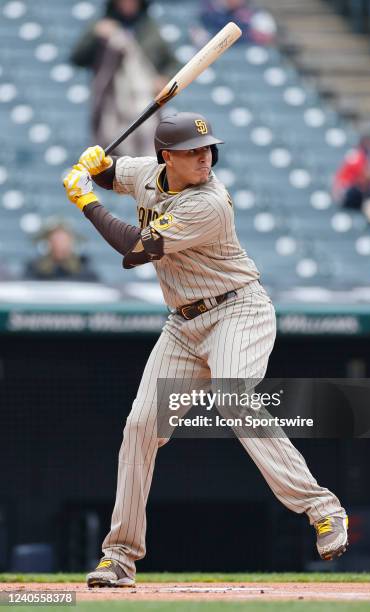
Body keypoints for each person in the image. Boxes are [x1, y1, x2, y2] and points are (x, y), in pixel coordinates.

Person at [63, 112, 348, 587]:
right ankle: (119, 557)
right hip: (183, 326)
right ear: (166, 157)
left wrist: (86, 200)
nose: (205, 157)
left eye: (208, 149)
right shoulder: (147, 174)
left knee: (233, 396)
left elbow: (134, 248)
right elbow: (119, 175)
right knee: (139, 427)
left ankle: (323, 508)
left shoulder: (210, 202)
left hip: (238, 309)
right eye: (194, 151)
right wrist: (99, 166)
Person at [70, 0, 179, 156]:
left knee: (146, 152)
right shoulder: (102, 23)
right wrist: (96, 34)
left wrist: (164, 78)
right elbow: (77, 58)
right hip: (111, 104)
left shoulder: (150, 28)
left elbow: (171, 63)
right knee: (111, 152)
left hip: (144, 102)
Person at [24, 220, 99, 281]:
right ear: (49, 242)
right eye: (56, 240)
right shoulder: (36, 268)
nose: (60, 244)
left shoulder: (83, 267)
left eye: (63, 240)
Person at [198, 0, 276, 46]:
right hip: (219, 48)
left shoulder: (254, 13)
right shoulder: (212, 12)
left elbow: (267, 37)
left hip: (244, 48)